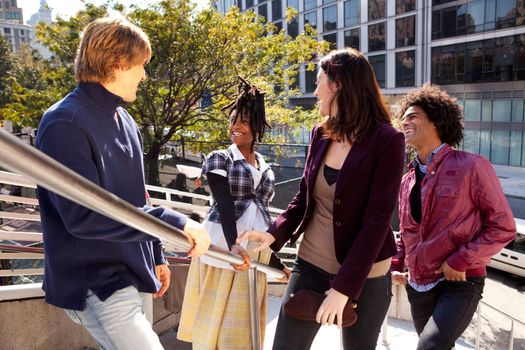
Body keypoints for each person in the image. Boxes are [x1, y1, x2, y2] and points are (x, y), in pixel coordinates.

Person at [36, 16, 210, 350]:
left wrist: (156, 253)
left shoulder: (125, 120)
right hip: (97, 282)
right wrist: (173, 222)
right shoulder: (64, 123)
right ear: (116, 65)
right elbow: (82, 217)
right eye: (140, 65)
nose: (144, 75)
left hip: (133, 270)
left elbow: (136, 195)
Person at [239, 48, 406, 350]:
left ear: (339, 85)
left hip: (366, 275)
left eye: (319, 82)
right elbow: (304, 197)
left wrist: (344, 288)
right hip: (311, 264)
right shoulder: (320, 133)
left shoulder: (388, 140)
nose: (315, 91)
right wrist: (272, 233)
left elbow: (378, 221)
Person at [391, 84, 516, 350]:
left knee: (430, 346)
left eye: (413, 116)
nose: (405, 121)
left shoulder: (472, 165)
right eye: (403, 117)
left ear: (435, 122)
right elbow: (407, 231)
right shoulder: (406, 180)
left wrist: (460, 260)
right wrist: (399, 263)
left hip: (459, 281)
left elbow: (503, 227)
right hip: (418, 286)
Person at [177, 77, 290, 349]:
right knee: (215, 323)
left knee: (243, 327)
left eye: (243, 121)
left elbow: (260, 217)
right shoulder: (220, 158)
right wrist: (232, 246)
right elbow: (224, 203)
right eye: (232, 120)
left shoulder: (265, 166)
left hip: (256, 249)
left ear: (257, 126)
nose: (235, 127)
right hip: (223, 243)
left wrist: (275, 263)